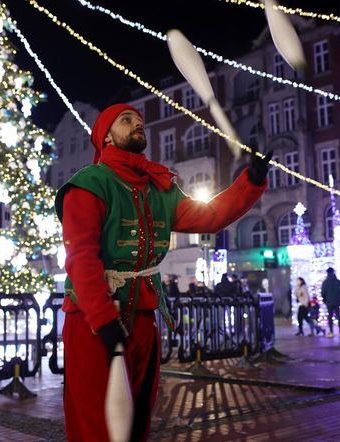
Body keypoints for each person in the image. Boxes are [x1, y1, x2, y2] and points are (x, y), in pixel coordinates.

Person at [55, 103, 271, 441]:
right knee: (95, 421)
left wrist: (250, 182)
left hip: (143, 316)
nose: (137, 124)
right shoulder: (88, 184)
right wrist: (103, 318)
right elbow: (81, 257)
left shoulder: (158, 187)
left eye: (140, 120)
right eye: (126, 120)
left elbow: (209, 215)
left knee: (138, 416)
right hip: (95, 320)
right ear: (106, 137)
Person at [321, 267, 340, 337]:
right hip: (337, 301)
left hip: (329, 302)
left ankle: (331, 331)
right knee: (338, 316)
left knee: (330, 316)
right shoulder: (339, 282)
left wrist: (325, 300)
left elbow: (323, 293)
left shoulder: (325, 282)